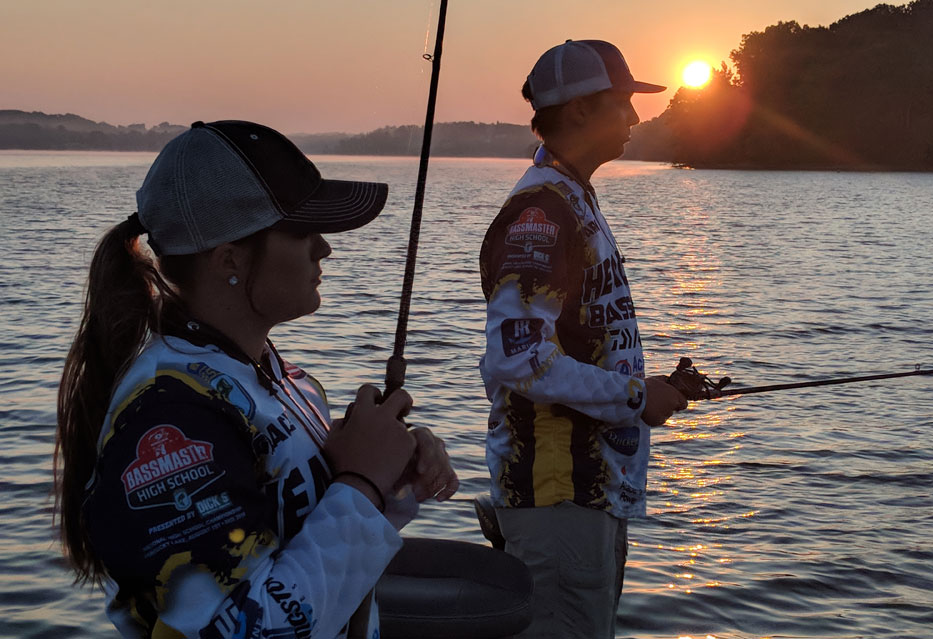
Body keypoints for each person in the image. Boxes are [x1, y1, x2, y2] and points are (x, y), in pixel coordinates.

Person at [54, 120, 459, 639]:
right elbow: (241, 629)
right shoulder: (166, 415)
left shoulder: (277, 378)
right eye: (302, 232)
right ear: (230, 259)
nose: (325, 250)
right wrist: (361, 485)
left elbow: (304, 541)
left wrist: (391, 473)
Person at [478, 40, 689, 638]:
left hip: (586, 493)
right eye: (623, 102)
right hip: (556, 498)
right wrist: (634, 396)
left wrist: (646, 390)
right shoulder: (541, 214)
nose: (636, 117)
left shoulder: (573, 197)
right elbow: (519, 360)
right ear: (577, 110)